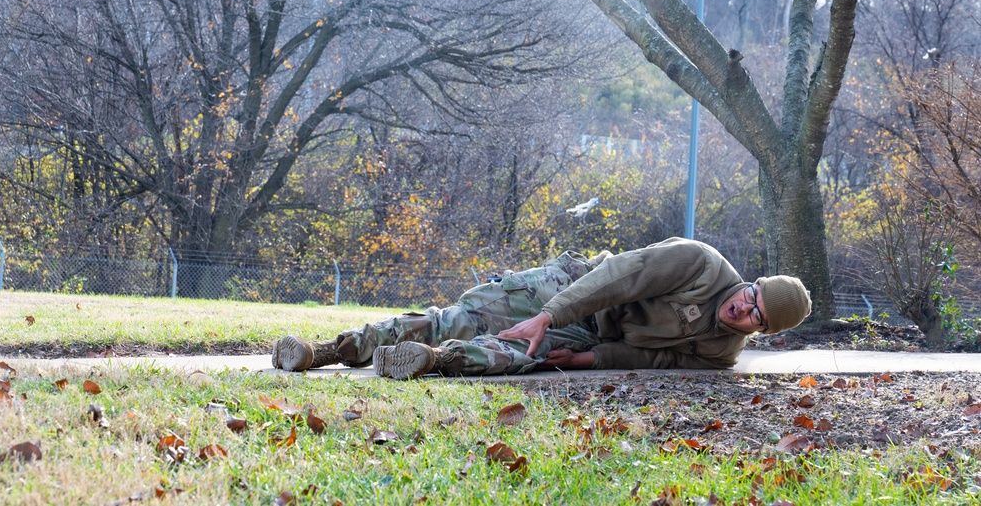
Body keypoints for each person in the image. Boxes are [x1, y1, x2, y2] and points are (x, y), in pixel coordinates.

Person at [271, 237, 812, 379]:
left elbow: (659, 362)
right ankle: (326, 351)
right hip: (574, 287)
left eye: (757, 316)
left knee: (520, 355)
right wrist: (551, 313)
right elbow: (619, 276)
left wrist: (589, 361)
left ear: (761, 331)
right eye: (752, 296)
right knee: (461, 316)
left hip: (592, 337)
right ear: (752, 281)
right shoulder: (699, 263)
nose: (744, 310)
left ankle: (428, 360)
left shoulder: (722, 351)